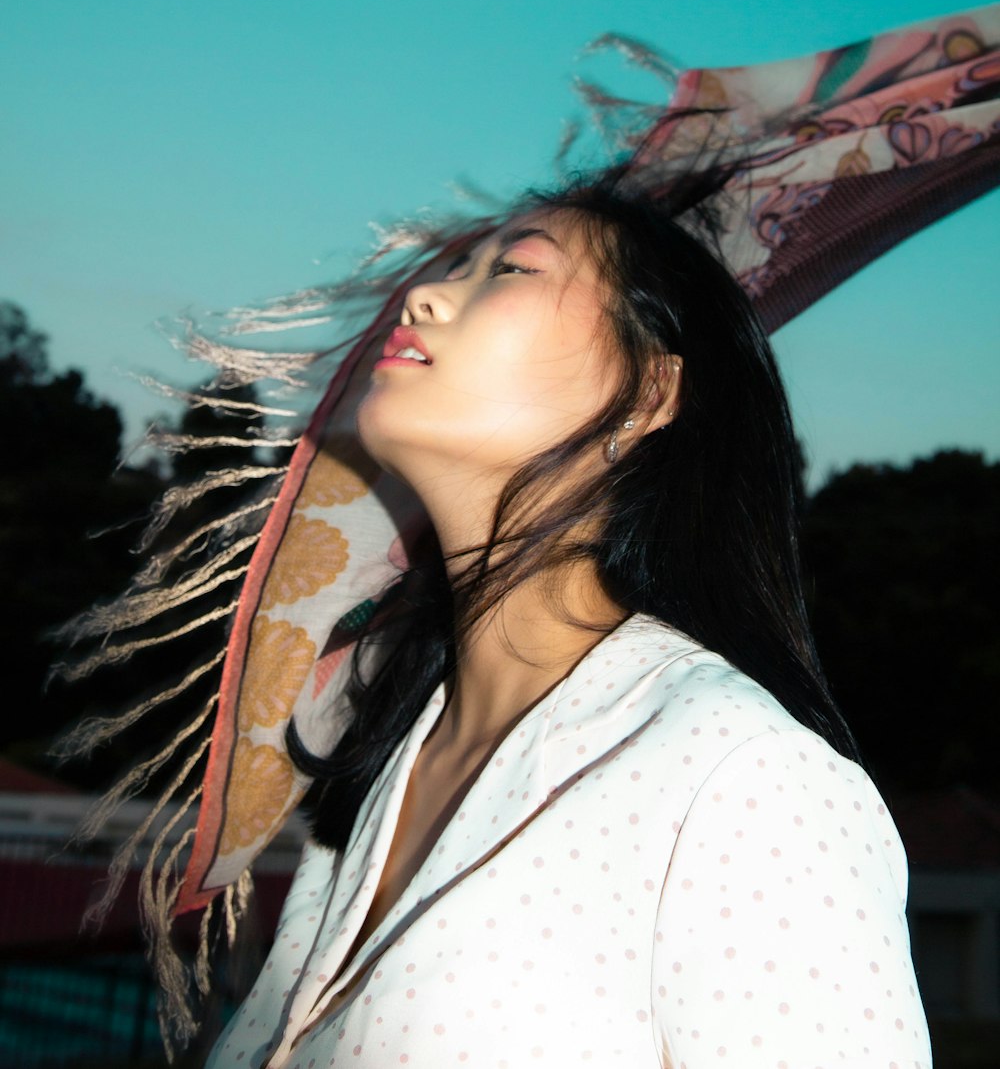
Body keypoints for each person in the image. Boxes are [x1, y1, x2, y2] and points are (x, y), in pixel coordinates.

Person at [203, 170, 932, 1068]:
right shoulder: (374, 775)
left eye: (509, 272)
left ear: (649, 393)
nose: (424, 295)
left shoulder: (737, 772)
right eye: (453, 270)